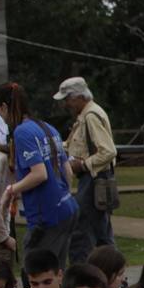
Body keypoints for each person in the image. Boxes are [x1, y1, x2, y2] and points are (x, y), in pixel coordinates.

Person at [0, 83, 78, 265]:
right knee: (56, 271)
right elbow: (68, 170)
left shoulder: (22, 132)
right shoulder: (47, 127)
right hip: (67, 207)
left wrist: (11, 190)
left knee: (35, 271)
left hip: (46, 216)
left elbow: (39, 174)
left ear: (4, 107)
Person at [53, 77, 116, 261]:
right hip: (95, 180)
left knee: (81, 230)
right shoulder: (87, 115)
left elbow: (108, 151)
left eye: (68, 99)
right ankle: (113, 272)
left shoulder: (91, 116)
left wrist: (83, 164)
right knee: (101, 231)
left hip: (94, 179)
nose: (66, 104)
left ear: (79, 97)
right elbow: (76, 144)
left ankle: (81, 272)